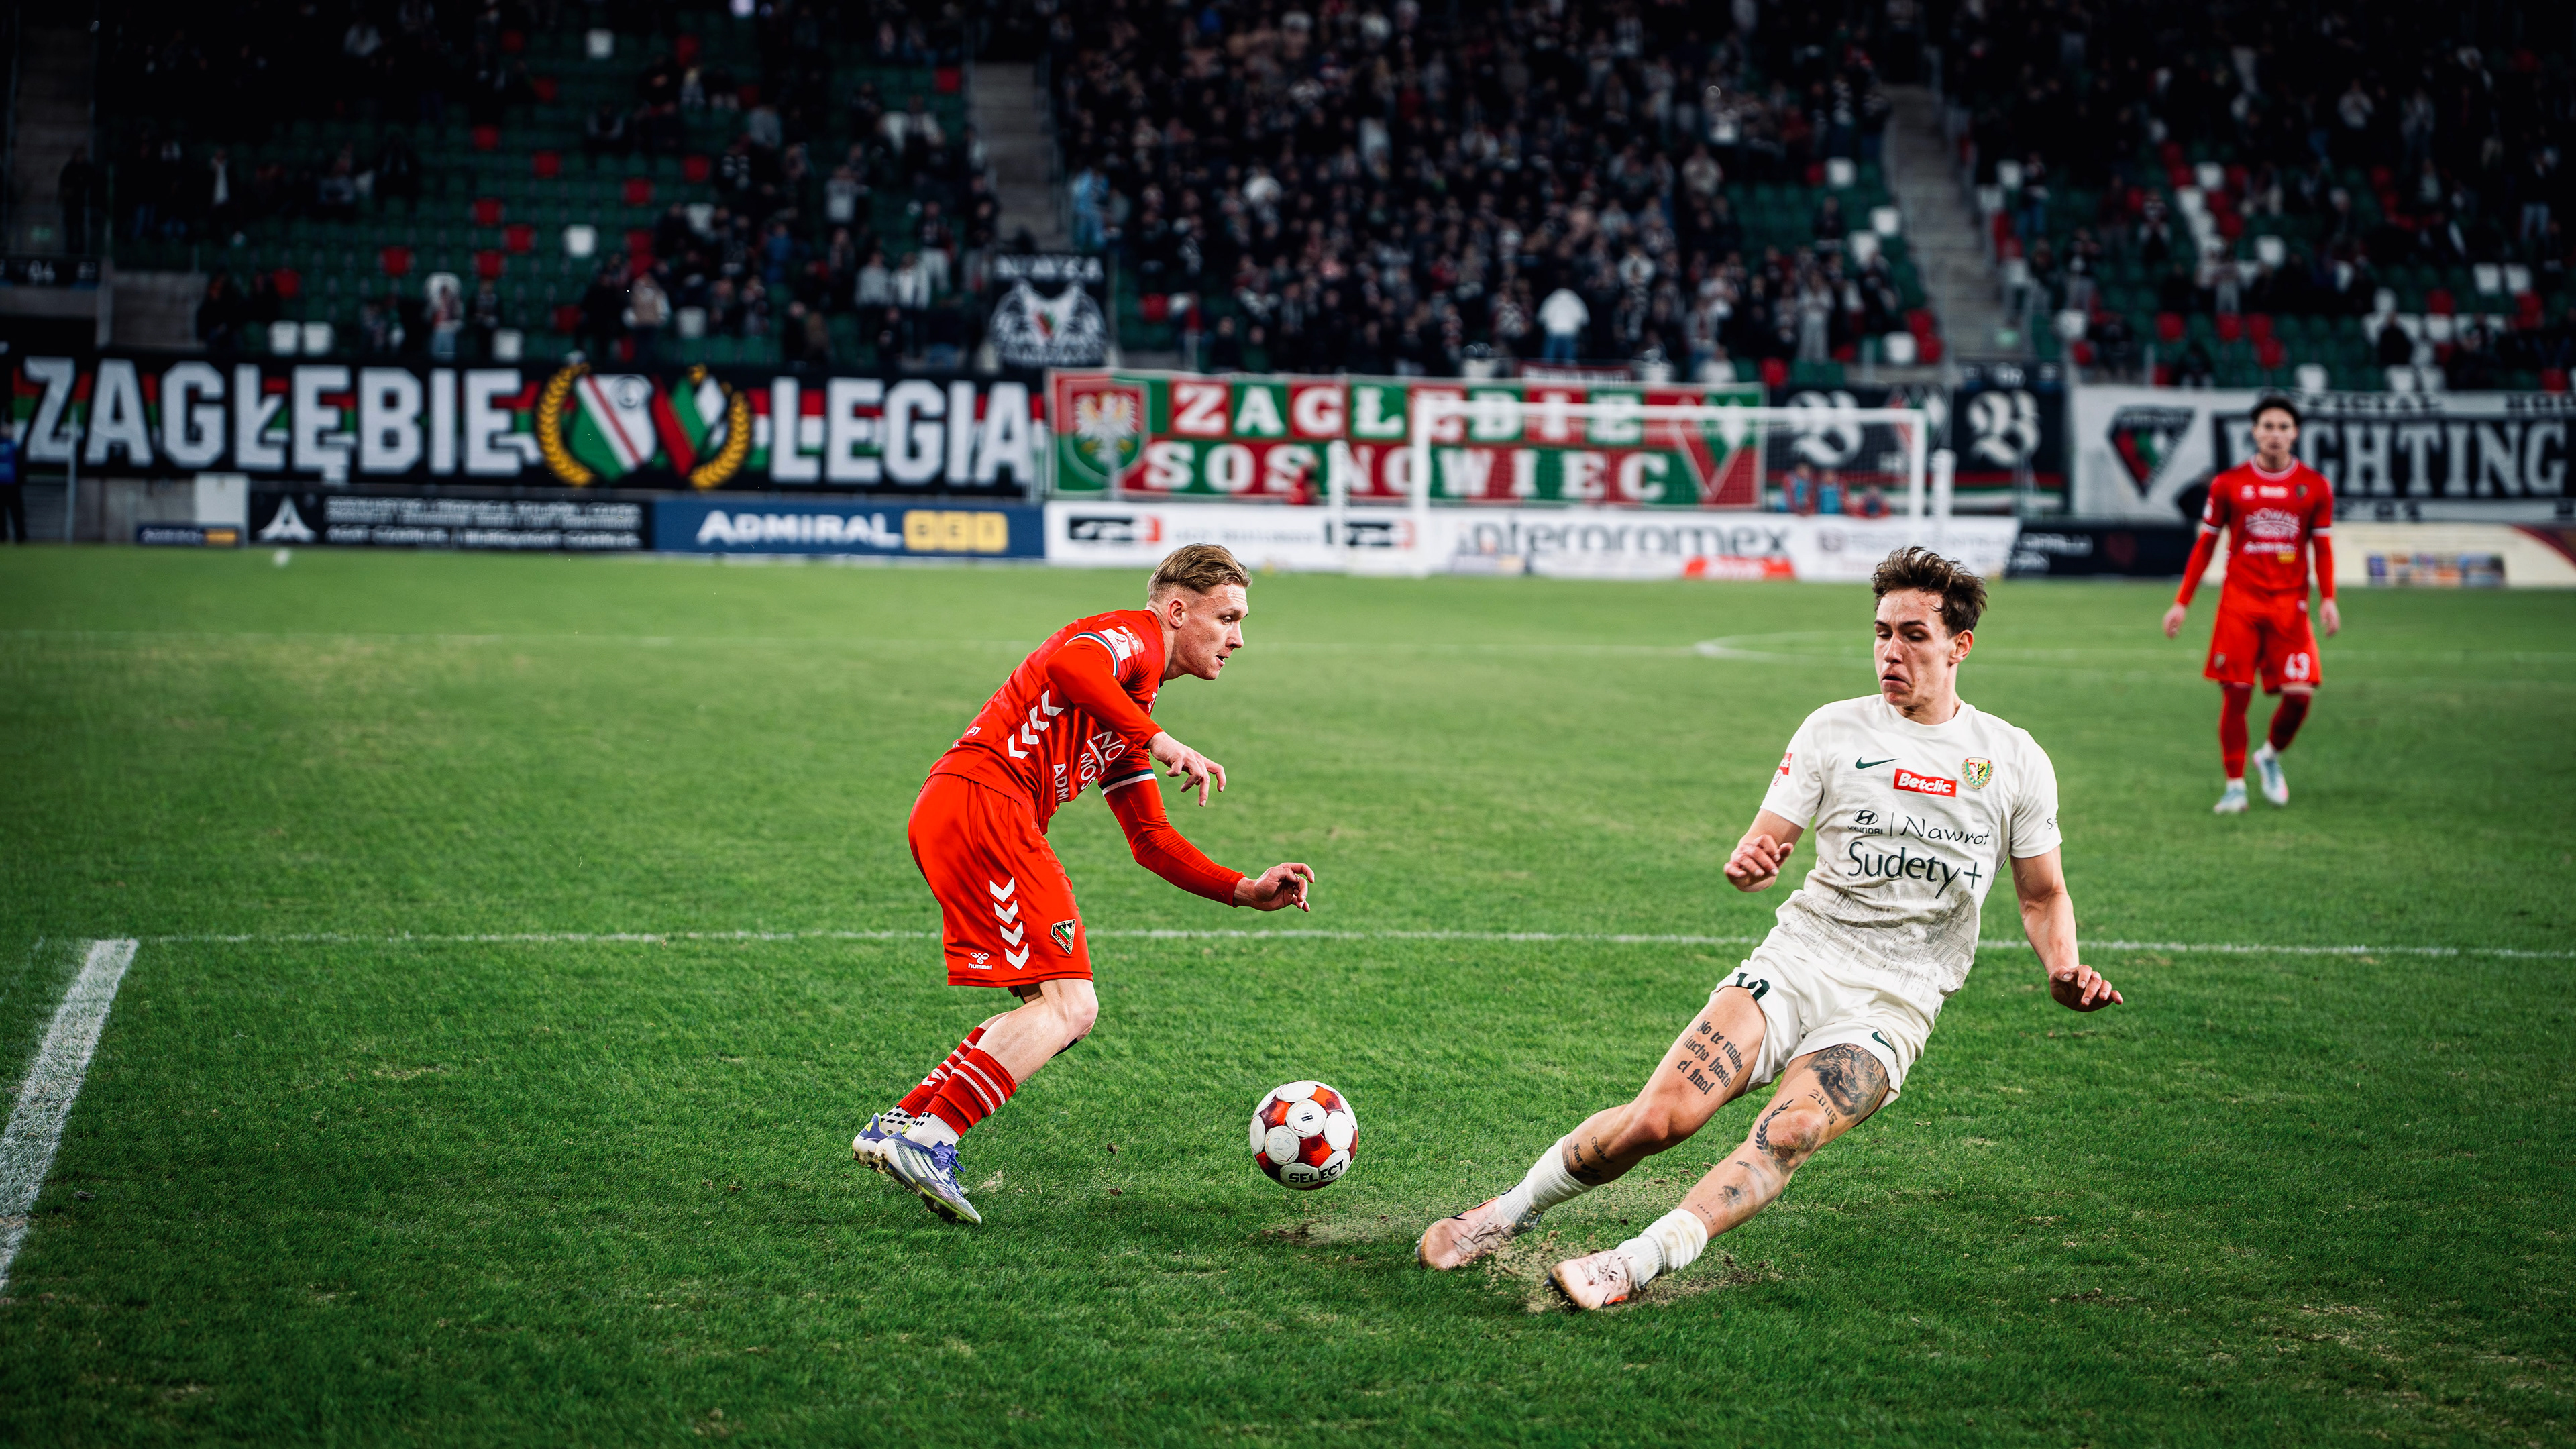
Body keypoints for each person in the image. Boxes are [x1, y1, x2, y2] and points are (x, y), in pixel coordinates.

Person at [1417, 547, 2122, 1309]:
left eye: (1914, 635)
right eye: (1882, 632)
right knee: (1658, 1120)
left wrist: (2063, 967)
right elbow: (1766, 841)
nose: (1891, 651)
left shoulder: (2012, 759)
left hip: (1895, 999)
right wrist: (1751, 862)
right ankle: (1504, 1213)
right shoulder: (1834, 730)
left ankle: (1634, 1262)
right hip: (1798, 959)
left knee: (1790, 1134)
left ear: (1960, 646)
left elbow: (2043, 894)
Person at [853, 546, 1319, 1224]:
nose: (1239, 638)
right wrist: (1159, 739)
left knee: (1054, 1012)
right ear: (1177, 611)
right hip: (988, 805)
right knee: (1072, 1007)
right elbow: (1072, 665)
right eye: (1227, 618)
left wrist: (1244, 888)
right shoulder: (1133, 635)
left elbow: (1150, 839)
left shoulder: (1132, 700)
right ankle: (930, 1138)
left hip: (968, 809)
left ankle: (906, 1122)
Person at [2162, 397, 2339, 814]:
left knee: (2300, 696)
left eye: (2283, 427)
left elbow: (2323, 548)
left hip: (2290, 607)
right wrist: (2181, 603)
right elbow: (2206, 545)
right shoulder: (2229, 484)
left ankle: (2270, 756)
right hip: (2240, 604)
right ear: (2255, 432)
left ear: (2295, 433)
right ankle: (2235, 786)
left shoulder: (2314, 486)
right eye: (2268, 426)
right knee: (2237, 693)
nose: (2275, 434)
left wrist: (2328, 598)